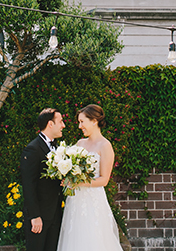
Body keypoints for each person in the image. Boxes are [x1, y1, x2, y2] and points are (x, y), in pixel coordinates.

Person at [56, 104, 124, 251]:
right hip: (75, 201)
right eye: (79, 122)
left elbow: (104, 180)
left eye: (82, 122)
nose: (80, 126)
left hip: (93, 202)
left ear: (94, 121)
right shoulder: (80, 143)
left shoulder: (105, 146)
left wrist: (78, 182)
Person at [21, 108, 66, 251]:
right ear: (50, 124)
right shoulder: (32, 149)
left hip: (55, 214)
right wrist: (34, 216)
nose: (63, 125)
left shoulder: (57, 148)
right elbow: (28, 185)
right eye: (60, 121)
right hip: (39, 217)